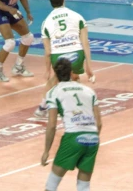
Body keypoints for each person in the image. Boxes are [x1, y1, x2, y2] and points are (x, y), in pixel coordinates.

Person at [40, 57, 102, 191]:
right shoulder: (89, 91)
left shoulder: (53, 92)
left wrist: (46, 151)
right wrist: (93, 138)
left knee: (51, 185)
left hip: (73, 138)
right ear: (71, 73)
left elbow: (51, 125)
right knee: (84, 186)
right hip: (93, 138)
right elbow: (99, 123)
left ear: (55, 74)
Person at [33, 0, 94, 119]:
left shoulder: (46, 22)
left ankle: (42, 108)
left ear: (50, 2)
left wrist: (47, 70)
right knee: (75, 78)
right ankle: (80, 108)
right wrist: (89, 67)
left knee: (54, 80)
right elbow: (85, 44)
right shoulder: (78, 17)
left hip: (58, 56)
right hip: (76, 54)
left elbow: (48, 51)